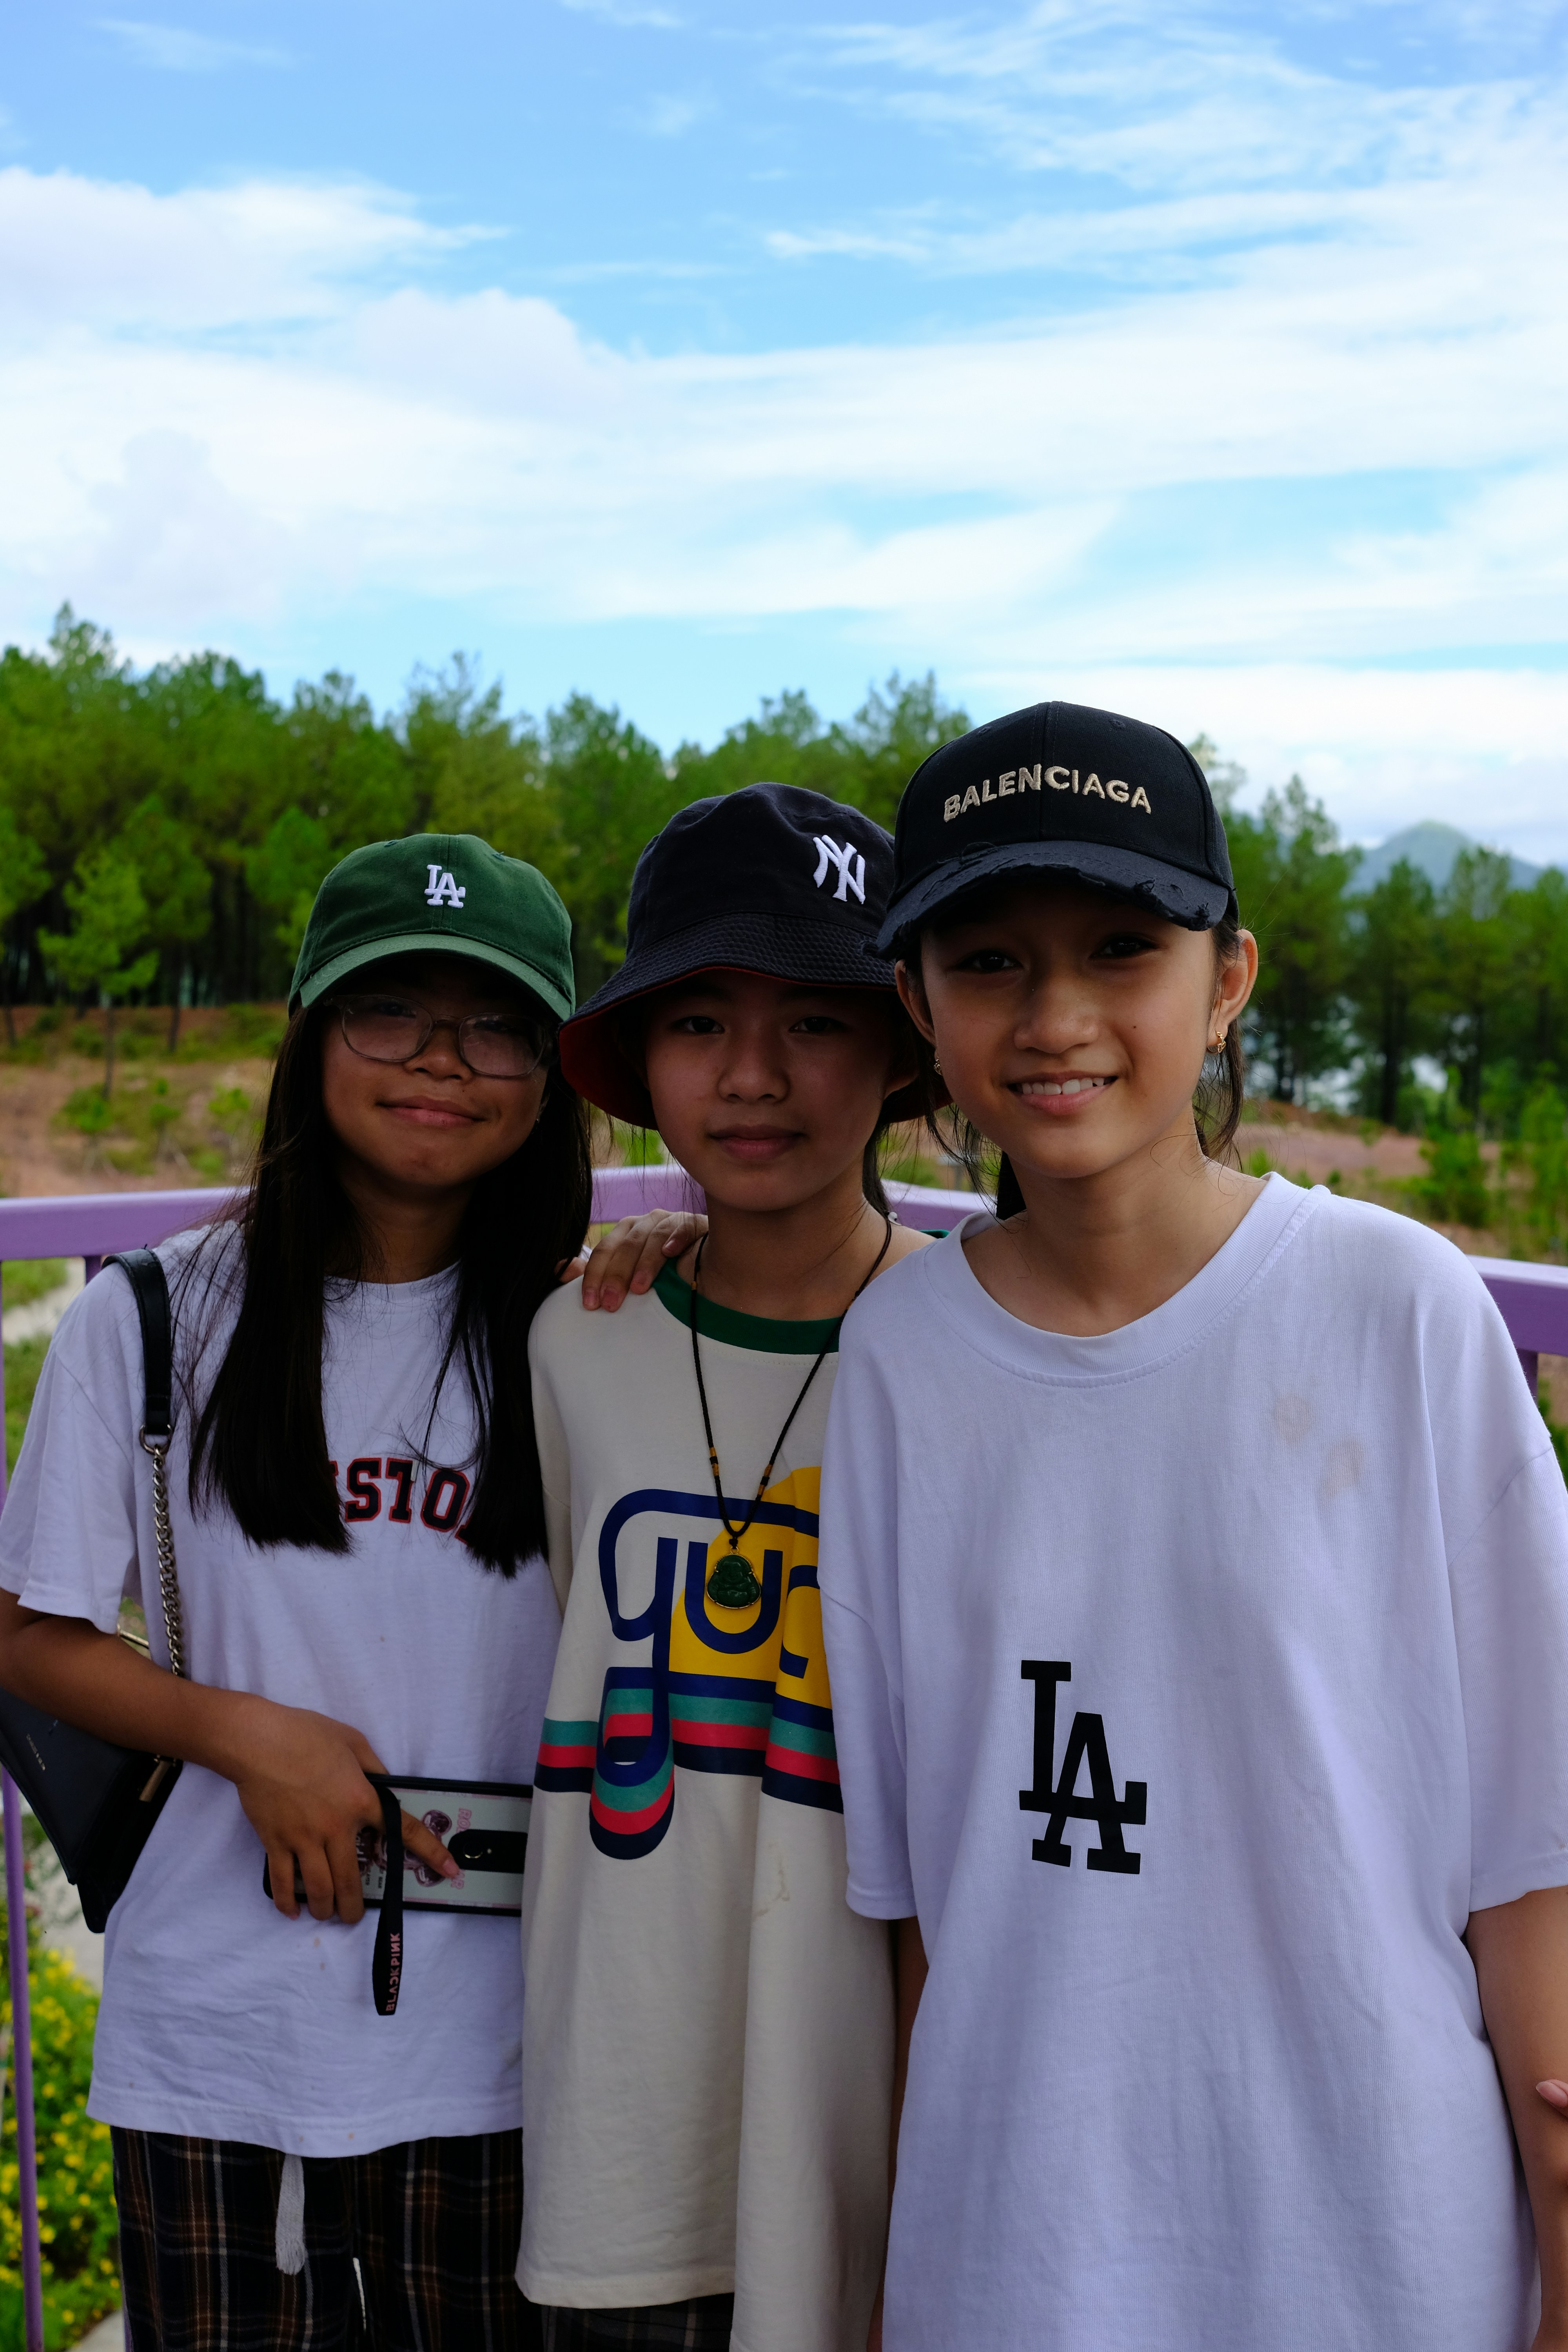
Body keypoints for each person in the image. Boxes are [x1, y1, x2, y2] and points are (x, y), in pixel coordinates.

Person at [816, 702, 1568, 2352]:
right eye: (989, 960)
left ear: (1227, 981)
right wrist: (903, 2266)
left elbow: (1535, 1865)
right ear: (915, 1004)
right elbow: (929, 1900)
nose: (1056, 1014)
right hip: (1011, 2250)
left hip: (1375, 2247)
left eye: (1118, 947)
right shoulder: (895, 1364)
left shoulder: (1402, 1311)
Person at [0, 831, 689, 2352]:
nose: (443, 1063)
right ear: (314, 1033)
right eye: (392, 1013)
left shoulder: (596, 1326)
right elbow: (24, 1631)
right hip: (224, 2023)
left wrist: (694, 1252)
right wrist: (253, 1737)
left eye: (497, 1024)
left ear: (552, 1069)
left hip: (513, 2028)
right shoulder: (158, 1314)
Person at [518, 783, 931, 2351]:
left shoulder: (971, 1353)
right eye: (697, 1021)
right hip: (621, 2101)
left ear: (898, 1050)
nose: (752, 1078)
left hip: (868, 2107)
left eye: (817, 1023)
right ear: (638, 1065)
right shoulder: (578, 1340)